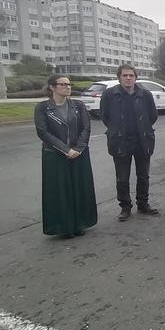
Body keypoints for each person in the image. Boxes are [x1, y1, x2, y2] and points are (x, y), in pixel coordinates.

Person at [34, 75, 97, 238]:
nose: (67, 87)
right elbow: (43, 132)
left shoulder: (78, 105)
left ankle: (79, 224)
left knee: (79, 188)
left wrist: (78, 148)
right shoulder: (42, 108)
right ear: (52, 88)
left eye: (69, 84)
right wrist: (65, 150)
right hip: (55, 155)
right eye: (62, 84)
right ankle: (64, 226)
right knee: (60, 191)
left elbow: (86, 128)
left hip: (79, 153)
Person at [100, 64, 159, 221]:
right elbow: (105, 116)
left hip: (142, 140)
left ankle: (143, 204)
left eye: (131, 75)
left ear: (135, 77)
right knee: (122, 177)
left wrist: (143, 128)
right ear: (119, 77)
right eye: (125, 75)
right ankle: (125, 206)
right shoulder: (109, 95)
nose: (128, 78)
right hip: (120, 141)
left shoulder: (145, 94)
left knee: (143, 175)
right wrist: (116, 130)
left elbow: (152, 115)